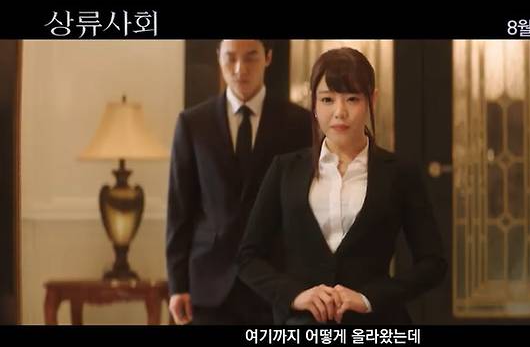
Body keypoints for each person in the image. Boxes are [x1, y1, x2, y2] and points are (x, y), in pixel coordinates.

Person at [237, 47, 447, 325]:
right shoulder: (284, 169)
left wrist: (368, 298)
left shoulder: (400, 173)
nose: (340, 112)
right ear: (313, 103)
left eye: (352, 99)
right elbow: (248, 258)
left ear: (372, 100)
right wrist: (295, 295)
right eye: (327, 99)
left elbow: (433, 263)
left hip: (376, 325)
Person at [166, 40, 312, 324]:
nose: (239, 69)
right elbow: (179, 211)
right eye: (230, 58)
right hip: (208, 282)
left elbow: (306, 208)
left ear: (268, 57)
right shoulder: (193, 123)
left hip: (275, 280)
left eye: (250, 57)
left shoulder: (299, 123)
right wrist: (177, 285)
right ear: (218, 57)